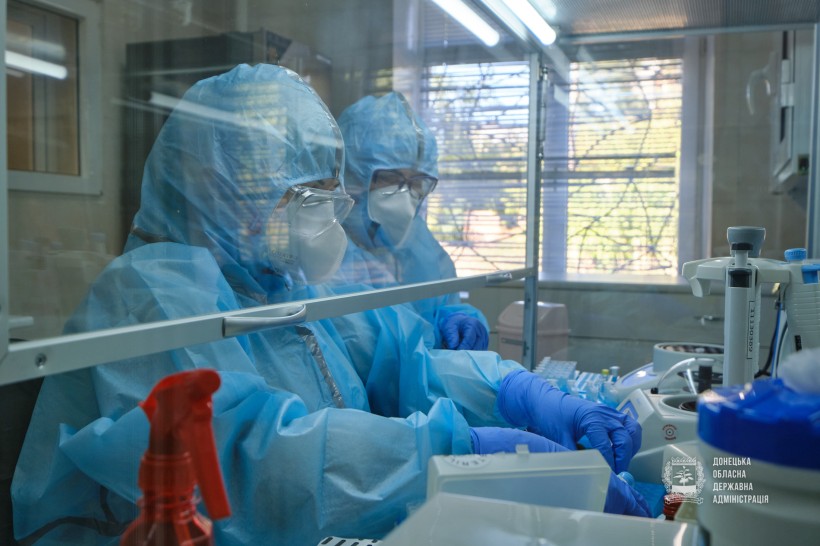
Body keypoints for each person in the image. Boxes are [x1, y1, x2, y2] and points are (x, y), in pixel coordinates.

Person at [12, 64, 649, 546]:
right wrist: (459, 447)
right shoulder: (151, 293)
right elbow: (252, 461)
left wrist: (515, 393)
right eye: (304, 194)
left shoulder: (283, 286)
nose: (325, 216)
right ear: (219, 186)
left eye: (329, 194)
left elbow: (403, 359)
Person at [333, 92, 489, 351]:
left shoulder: (420, 245)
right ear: (353, 176)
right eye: (390, 178)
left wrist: (456, 319)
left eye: (416, 181)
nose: (405, 194)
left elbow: (443, 306)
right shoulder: (327, 255)